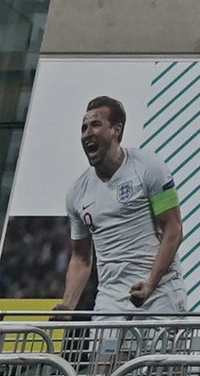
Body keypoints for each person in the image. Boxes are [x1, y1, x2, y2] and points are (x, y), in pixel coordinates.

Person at [61, 94, 182, 324]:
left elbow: (173, 230)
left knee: (154, 361)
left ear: (116, 130)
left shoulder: (149, 167)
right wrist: (68, 304)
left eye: (96, 124)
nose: (88, 133)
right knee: (104, 362)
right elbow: (81, 258)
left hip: (160, 293)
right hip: (110, 299)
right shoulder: (77, 193)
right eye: (84, 127)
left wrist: (149, 285)